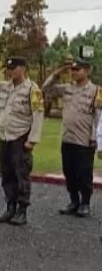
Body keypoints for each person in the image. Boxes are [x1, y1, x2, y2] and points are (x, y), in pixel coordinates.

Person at [0, 56, 44, 226]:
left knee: (21, 173)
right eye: (8, 68)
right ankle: (10, 207)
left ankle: (22, 210)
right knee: (6, 173)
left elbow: (38, 115)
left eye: (13, 68)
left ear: (23, 68)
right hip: (4, 135)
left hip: (20, 136)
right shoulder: (4, 86)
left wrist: (33, 140)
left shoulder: (32, 89)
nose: (10, 71)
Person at [42, 59, 102, 217]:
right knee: (69, 173)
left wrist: (95, 138)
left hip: (85, 140)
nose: (74, 73)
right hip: (68, 138)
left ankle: (85, 203)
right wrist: (57, 73)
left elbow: (98, 117)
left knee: (84, 174)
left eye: (78, 70)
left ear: (88, 71)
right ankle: (74, 201)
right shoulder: (67, 89)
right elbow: (46, 88)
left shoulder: (96, 91)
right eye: (72, 70)